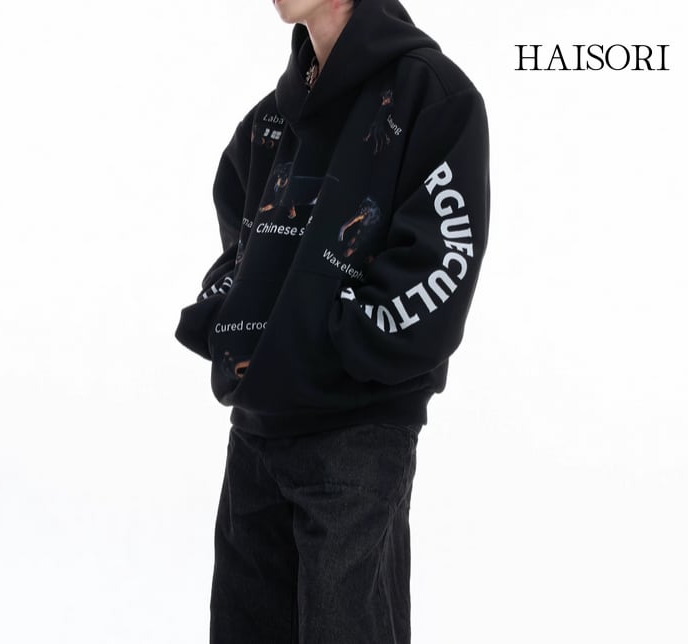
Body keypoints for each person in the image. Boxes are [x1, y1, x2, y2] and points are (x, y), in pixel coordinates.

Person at [174, 0, 490, 641]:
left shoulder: (432, 95)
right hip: (257, 432)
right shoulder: (270, 119)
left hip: (356, 434)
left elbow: (443, 257)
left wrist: (339, 341)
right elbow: (241, 236)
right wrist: (236, 320)